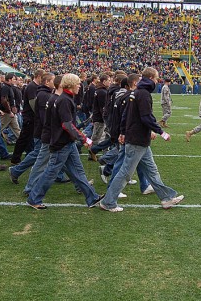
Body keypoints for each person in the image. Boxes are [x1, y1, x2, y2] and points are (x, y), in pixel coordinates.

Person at [98, 67, 184, 212]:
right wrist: (161, 132)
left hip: (139, 139)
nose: (157, 81)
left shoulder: (135, 93)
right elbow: (145, 117)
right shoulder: (142, 94)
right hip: (137, 139)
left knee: (152, 171)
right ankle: (108, 202)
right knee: (126, 172)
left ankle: (166, 198)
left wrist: (123, 132)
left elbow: (127, 115)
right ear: (150, 78)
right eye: (156, 78)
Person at [26, 73, 103, 210]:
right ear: (72, 85)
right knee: (51, 172)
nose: (80, 85)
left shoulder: (65, 98)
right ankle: (34, 198)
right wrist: (83, 138)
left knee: (77, 172)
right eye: (78, 83)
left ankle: (92, 198)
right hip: (61, 143)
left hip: (67, 142)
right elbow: (66, 125)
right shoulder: (64, 100)